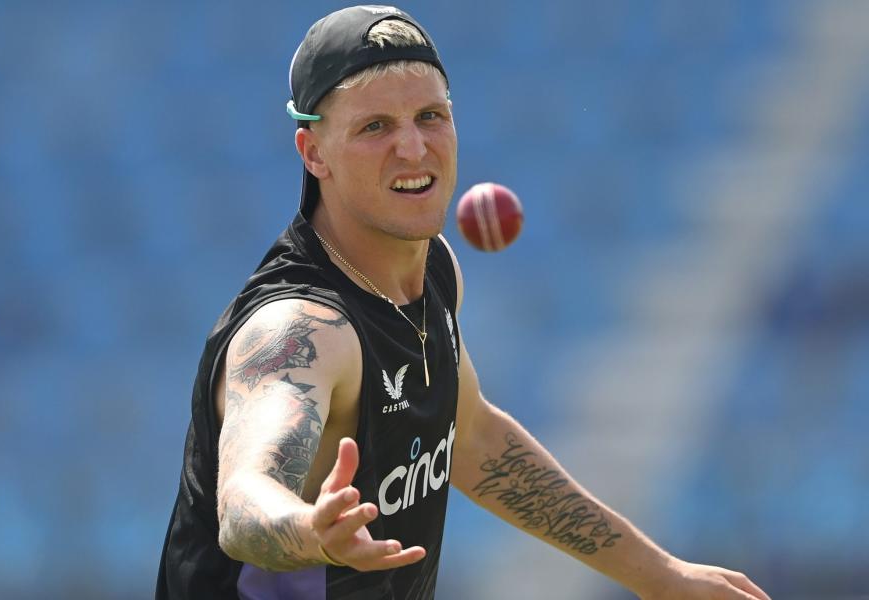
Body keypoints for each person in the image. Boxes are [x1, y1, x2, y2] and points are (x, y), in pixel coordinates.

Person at [156, 6, 772, 599]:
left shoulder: (433, 271)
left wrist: (658, 575)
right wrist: (308, 529)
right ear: (313, 153)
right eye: (375, 127)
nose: (414, 148)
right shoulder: (303, 328)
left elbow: (470, 436)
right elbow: (242, 501)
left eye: (430, 116)